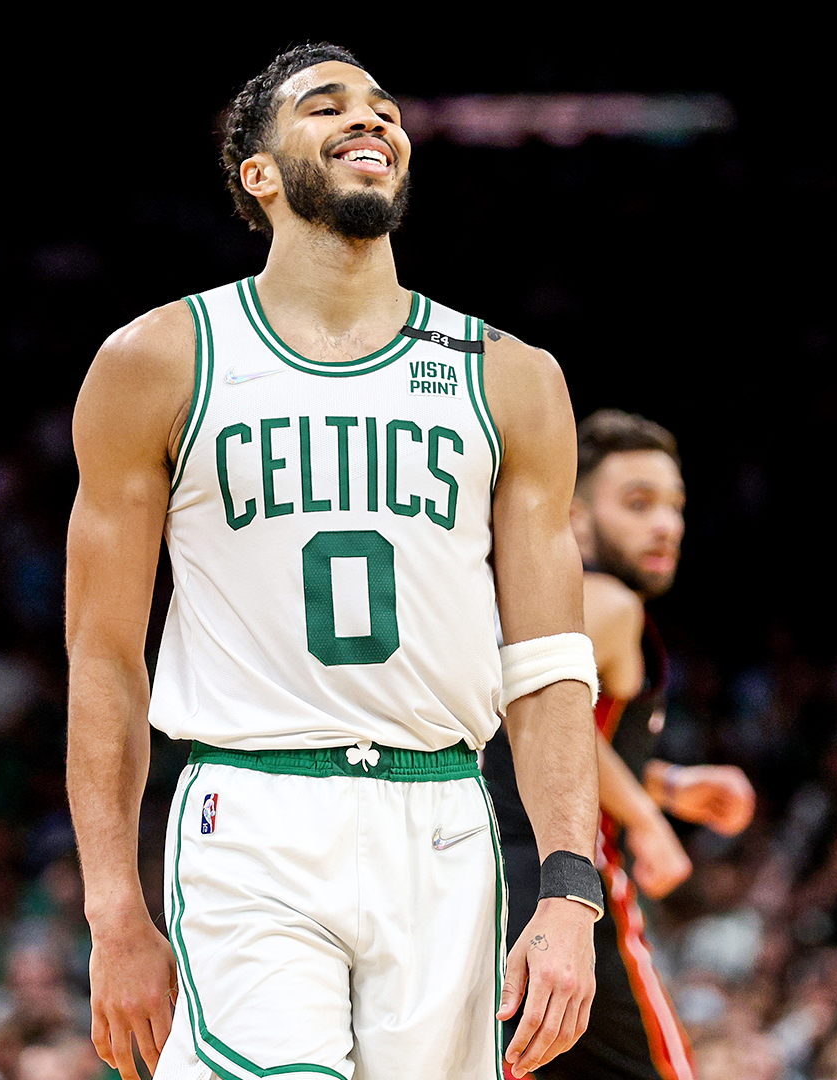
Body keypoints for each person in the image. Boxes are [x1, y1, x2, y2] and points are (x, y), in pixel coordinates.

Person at [65, 43, 601, 1080]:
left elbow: (549, 662)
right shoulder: (160, 360)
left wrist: (571, 894)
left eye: (385, 108)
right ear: (258, 175)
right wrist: (112, 912)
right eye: (327, 106)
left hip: (445, 815)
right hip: (251, 806)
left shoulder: (512, 378)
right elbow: (103, 659)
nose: (371, 120)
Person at [484, 409, 755, 1080]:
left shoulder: (533, 604)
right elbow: (538, 716)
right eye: (638, 504)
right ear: (574, 518)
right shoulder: (607, 600)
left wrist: (662, 783)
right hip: (563, 880)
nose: (665, 523)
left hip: (488, 875)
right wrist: (644, 817)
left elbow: (554, 736)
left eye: (674, 506)